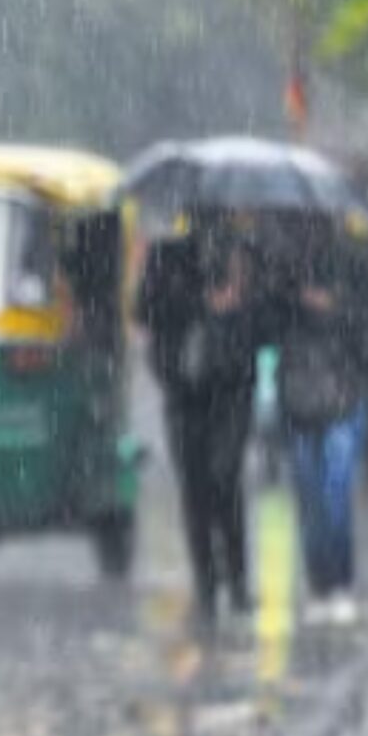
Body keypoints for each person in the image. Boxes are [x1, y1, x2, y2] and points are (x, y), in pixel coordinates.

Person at [135, 209, 263, 629]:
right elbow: (144, 310)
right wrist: (199, 302)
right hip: (184, 388)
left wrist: (241, 298)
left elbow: (268, 318)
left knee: (225, 477)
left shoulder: (245, 257)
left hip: (231, 388)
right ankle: (208, 586)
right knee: (194, 488)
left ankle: (238, 580)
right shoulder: (166, 256)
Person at [277, 220, 368, 626]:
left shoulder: (360, 267)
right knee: (310, 500)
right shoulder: (283, 270)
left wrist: (335, 309)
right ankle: (320, 585)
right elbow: (270, 327)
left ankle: (340, 583)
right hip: (300, 401)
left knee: (335, 494)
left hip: (343, 398)